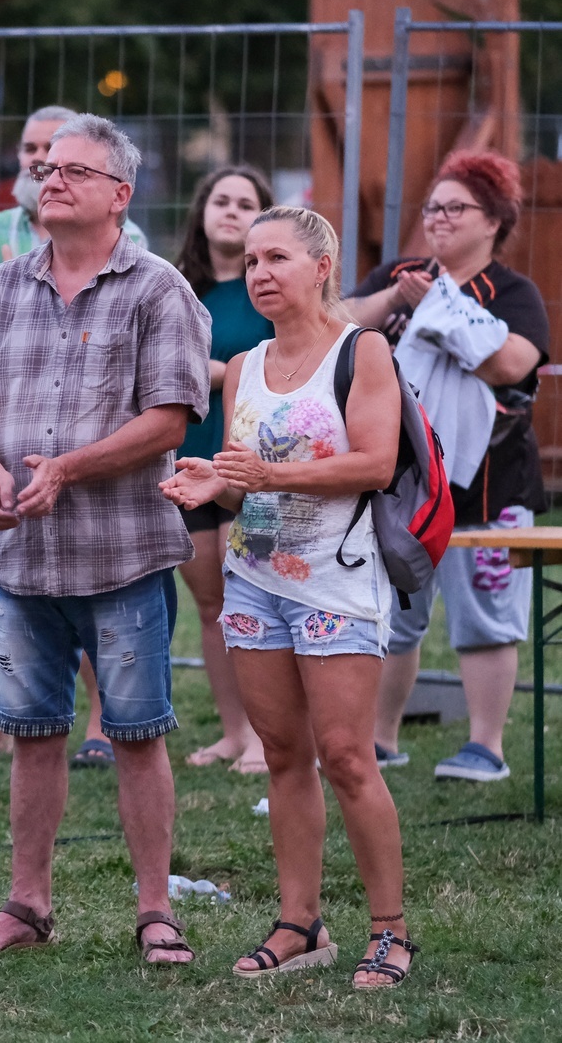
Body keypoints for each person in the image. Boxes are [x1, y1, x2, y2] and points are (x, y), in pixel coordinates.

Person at [0, 114, 207, 964]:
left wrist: (68, 469)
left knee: (137, 733)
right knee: (32, 732)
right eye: (48, 168)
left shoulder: (159, 289)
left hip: (123, 555)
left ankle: (155, 909)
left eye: (75, 171)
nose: (51, 179)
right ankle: (27, 904)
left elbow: (170, 419)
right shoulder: (0, 287)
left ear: (120, 194)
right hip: (23, 561)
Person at [162, 206, 418, 989]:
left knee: (346, 756)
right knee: (281, 754)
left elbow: (375, 463)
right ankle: (300, 922)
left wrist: (268, 475)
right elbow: (243, 486)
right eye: (250, 262)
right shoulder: (243, 365)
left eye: (277, 258)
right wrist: (215, 481)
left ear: (321, 267)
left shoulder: (362, 350)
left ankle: (390, 931)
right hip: (256, 580)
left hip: (336, 579)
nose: (260, 273)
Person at [0, 105, 149, 765]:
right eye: (36, 156)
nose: (41, 168)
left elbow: (157, 402)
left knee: (102, 615)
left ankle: (102, 727)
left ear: (116, 193)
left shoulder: (143, 264)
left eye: (63, 162)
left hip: (106, 491)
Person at [346, 150, 549, 781]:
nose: (438, 217)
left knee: (486, 618)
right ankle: (380, 739)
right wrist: (397, 298)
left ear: (493, 221)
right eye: (432, 206)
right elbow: (336, 324)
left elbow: (512, 363)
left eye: (455, 207)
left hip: (492, 485)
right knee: (393, 614)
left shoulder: (512, 292)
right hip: (404, 484)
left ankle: (486, 747)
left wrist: (443, 312)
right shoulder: (398, 275)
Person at [171, 165, 276, 774]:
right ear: (202, 212)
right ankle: (235, 733)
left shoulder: (269, 288)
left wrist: (213, 371)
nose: (231, 211)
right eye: (221, 200)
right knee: (211, 604)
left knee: (256, 596)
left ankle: (270, 738)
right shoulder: (175, 286)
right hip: (189, 461)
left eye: (245, 203)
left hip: (253, 469)